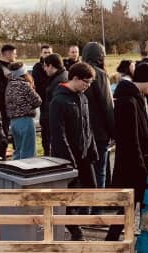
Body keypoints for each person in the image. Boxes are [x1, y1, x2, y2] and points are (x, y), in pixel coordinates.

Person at [106, 62, 148, 242]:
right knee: (138, 204)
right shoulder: (129, 102)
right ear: (144, 81)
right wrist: (141, 167)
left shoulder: (133, 98)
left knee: (131, 205)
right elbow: (131, 140)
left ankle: (115, 238)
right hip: (134, 165)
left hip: (135, 163)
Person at [48, 62, 97, 241]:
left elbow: (87, 127)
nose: (88, 86)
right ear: (75, 78)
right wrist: (69, 162)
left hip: (84, 155)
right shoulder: (59, 101)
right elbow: (58, 135)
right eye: (86, 82)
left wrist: (92, 151)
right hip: (68, 159)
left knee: (92, 189)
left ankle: (78, 223)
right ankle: (76, 231)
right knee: (69, 196)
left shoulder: (83, 97)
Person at [81, 42, 115, 189]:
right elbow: (107, 105)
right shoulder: (99, 75)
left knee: (85, 172)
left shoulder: (77, 72)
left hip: (82, 132)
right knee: (100, 171)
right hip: (99, 132)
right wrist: (114, 132)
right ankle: (97, 205)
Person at [5, 63, 41, 159]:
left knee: (18, 151)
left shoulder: (9, 85)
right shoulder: (24, 85)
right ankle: (28, 172)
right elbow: (38, 101)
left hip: (14, 122)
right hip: (25, 120)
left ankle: (15, 172)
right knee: (28, 152)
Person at [39, 54, 68, 156]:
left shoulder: (59, 81)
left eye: (45, 66)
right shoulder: (59, 77)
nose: (44, 69)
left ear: (51, 66)